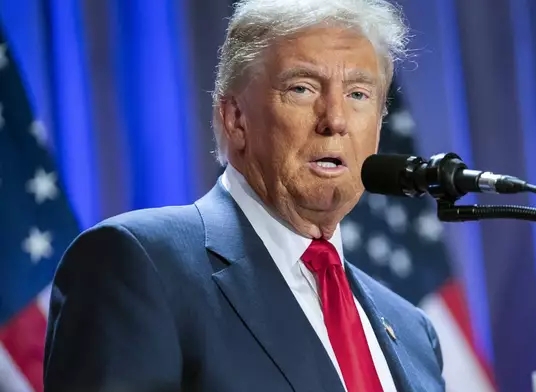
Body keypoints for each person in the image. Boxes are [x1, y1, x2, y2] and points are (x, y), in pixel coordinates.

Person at [43, 0, 445, 391]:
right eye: (302, 88)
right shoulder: (138, 265)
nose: (335, 120)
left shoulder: (412, 331)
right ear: (235, 119)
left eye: (359, 94)